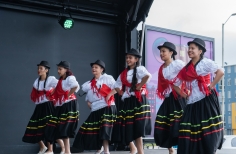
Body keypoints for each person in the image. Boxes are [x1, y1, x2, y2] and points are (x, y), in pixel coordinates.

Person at [176, 38, 224, 154]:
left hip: (206, 99)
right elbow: (175, 84)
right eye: (189, 48)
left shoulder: (205, 63)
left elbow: (221, 72)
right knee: (189, 130)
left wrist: (211, 85)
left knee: (206, 129)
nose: (190, 50)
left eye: (193, 48)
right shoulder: (186, 69)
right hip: (192, 102)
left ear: (200, 51)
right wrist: (184, 94)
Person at [112, 48, 152, 154]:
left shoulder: (140, 69)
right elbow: (116, 85)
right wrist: (121, 93)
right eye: (127, 58)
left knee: (137, 126)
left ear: (136, 59)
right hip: (128, 100)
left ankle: (140, 151)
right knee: (126, 125)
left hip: (138, 100)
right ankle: (133, 147)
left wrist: (139, 86)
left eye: (130, 58)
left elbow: (147, 76)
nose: (128, 60)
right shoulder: (124, 73)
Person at [73, 60, 117, 154]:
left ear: (102, 69)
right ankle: (99, 147)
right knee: (91, 129)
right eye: (93, 67)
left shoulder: (107, 78)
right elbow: (88, 99)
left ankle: (106, 151)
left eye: (96, 67)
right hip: (95, 108)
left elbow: (117, 88)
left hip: (107, 106)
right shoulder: (89, 84)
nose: (93, 69)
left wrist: (109, 95)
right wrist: (89, 104)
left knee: (105, 129)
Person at [154, 42, 187, 154]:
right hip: (168, 99)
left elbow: (187, 75)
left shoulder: (178, 64)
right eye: (160, 51)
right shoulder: (161, 69)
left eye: (164, 51)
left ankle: (183, 148)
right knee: (163, 122)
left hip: (178, 97)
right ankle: (170, 149)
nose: (161, 53)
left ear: (171, 52)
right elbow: (163, 86)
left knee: (180, 123)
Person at [22, 61, 58, 154]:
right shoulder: (36, 81)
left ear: (46, 70)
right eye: (38, 68)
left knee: (48, 127)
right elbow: (35, 94)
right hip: (39, 106)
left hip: (48, 105)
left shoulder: (51, 79)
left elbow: (59, 87)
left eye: (41, 68)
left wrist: (52, 93)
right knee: (34, 126)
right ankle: (43, 147)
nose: (39, 70)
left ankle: (50, 150)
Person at [45, 61, 79, 154]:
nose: (58, 71)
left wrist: (68, 95)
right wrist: (51, 94)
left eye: (60, 69)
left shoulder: (70, 78)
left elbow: (75, 86)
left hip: (69, 104)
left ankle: (67, 151)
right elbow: (57, 89)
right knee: (53, 126)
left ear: (66, 69)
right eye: (58, 69)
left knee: (64, 128)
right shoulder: (60, 80)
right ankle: (65, 150)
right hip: (61, 105)